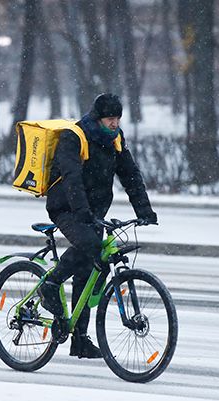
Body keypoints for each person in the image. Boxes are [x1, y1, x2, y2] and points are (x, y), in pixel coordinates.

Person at [40, 93, 158, 359]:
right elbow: (71, 177)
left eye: (117, 118)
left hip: (95, 211)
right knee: (91, 246)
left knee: (90, 269)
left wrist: (145, 211)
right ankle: (49, 285)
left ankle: (80, 340)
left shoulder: (115, 140)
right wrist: (82, 211)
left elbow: (130, 175)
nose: (115, 124)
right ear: (98, 117)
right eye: (110, 119)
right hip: (67, 208)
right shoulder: (75, 137)